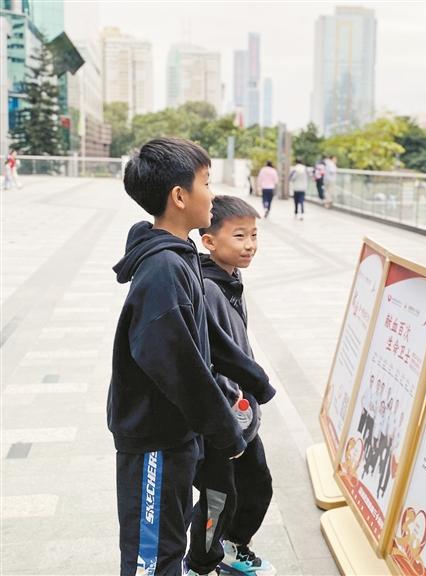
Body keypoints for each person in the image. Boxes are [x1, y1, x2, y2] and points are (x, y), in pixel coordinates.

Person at [109, 137, 276, 575]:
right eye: (206, 182)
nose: (213, 194)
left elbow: (206, 336)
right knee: (153, 557)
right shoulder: (163, 270)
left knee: (170, 537)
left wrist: (254, 380)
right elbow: (179, 365)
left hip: (178, 435)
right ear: (179, 197)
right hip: (154, 439)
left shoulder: (180, 258)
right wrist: (225, 430)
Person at [186, 196, 276, 576]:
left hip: (242, 414)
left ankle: (233, 547)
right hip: (221, 420)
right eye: (239, 236)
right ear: (209, 241)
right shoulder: (207, 288)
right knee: (218, 497)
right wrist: (232, 404)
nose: (250, 245)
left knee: (257, 485)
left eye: (254, 235)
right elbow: (212, 357)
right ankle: (199, 564)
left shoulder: (232, 277)